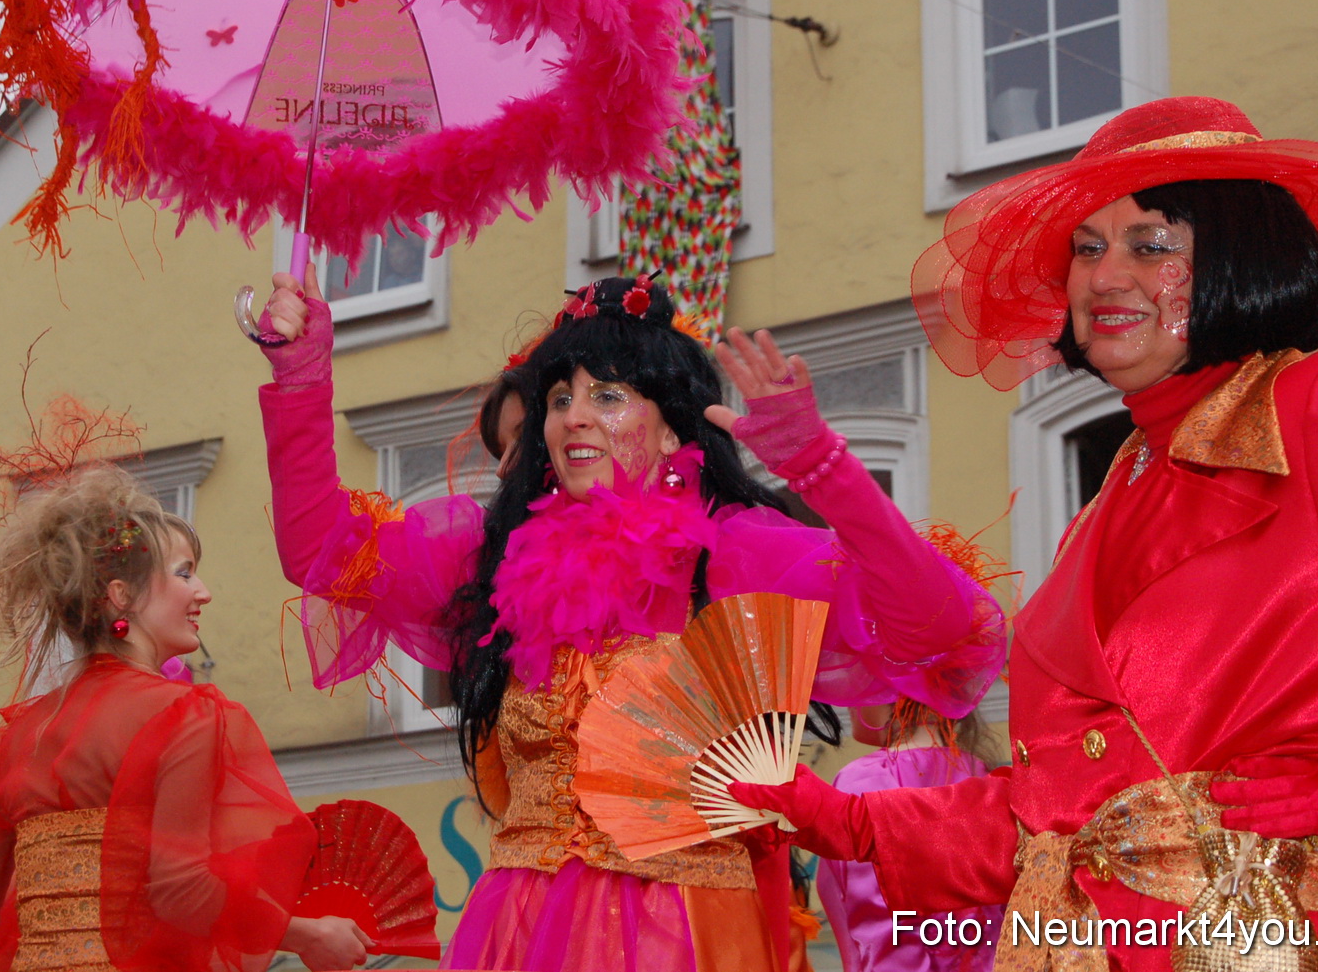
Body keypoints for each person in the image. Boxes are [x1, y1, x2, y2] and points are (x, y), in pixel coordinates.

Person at [733, 97, 1318, 969]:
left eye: (1150, 244)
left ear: (1244, 253)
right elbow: (1066, 819)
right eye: (1087, 248)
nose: (1105, 276)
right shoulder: (1101, 508)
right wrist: (840, 817)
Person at [255, 268, 1006, 972]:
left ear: (674, 431)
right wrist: (301, 375)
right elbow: (322, 551)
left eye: (608, 395)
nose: (574, 416)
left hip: (679, 934)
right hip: (518, 929)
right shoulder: (497, 555)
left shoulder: (734, 554)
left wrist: (823, 467)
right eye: (559, 398)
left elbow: (945, 628)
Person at [0, 466, 369, 972]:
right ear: (121, 595)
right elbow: (180, 890)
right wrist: (307, 934)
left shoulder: (17, 738)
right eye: (184, 573)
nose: (203, 592)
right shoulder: (184, 714)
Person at [814, 700, 1002, 972]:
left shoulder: (863, 783)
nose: (849, 704)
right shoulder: (986, 778)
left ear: (890, 693)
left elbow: (882, 927)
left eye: (862, 687)